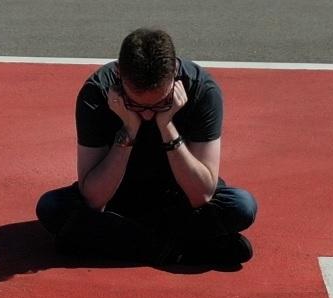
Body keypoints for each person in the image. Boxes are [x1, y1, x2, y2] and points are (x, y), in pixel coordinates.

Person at [35, 28, 259, 269]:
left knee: (241, 206)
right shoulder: (96, 93)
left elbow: (201, 193)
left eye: (162, 103)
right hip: (118, 196)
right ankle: (180, 248)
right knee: (52, 208)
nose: (149, 114)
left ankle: (110, 241)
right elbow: (94, 197)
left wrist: (168, 127)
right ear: (119, 74)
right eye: (135, 105)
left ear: (174, 72)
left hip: (179, 197)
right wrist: (129, 130)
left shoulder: (202, 90)